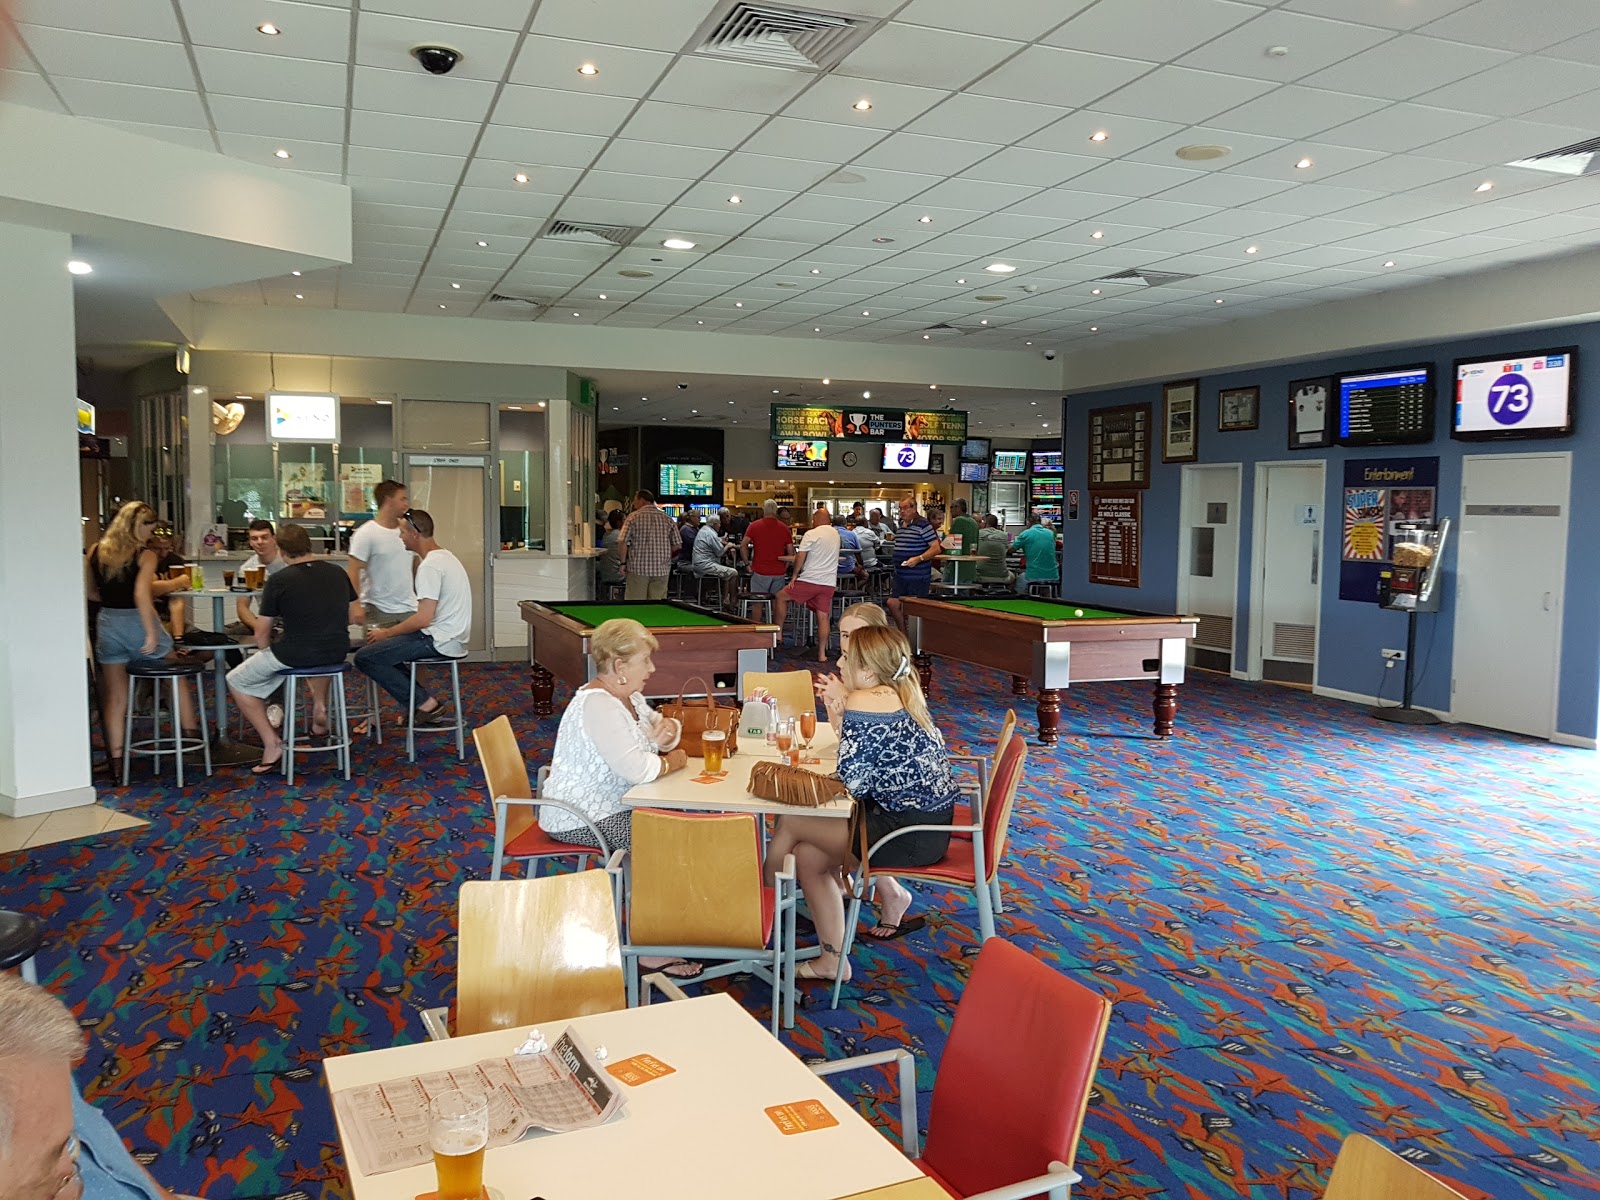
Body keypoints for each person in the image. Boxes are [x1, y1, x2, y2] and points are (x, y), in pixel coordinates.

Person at [765, 624, 960, 982]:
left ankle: (758, 904)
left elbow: (852, 782)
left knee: (790, 821)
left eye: (846, 658)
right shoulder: (901, 691)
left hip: (905, 834)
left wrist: (841, 709)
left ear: (868, 671)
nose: (839, 664)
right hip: (929, 826)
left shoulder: (865, 700)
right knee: (808, 856)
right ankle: (832, 961)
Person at [538, 619, 703, 979]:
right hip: (578, 815)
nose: (652, 668)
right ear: (619, 666)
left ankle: (670, 924)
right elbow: (638, 769)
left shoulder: (630, 698)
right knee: (662, 839)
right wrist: (673, 760)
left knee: (674, 828)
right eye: (646, 661)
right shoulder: (600, 705)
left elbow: (661, 728)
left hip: (612, 805)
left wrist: (669, 733)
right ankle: (651, 948)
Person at [0, 972, 184, 1200]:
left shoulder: (31, 1074)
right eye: (47, 1166)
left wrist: (162, 1196)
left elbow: (105, 1150)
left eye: (68, 1141)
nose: (72, 1168)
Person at [226, 523, 361, 775]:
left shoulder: (279, 580)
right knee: (308, 661)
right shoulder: (337, 572)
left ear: (281, 548)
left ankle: (272, 743)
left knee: (236, 680)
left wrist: (267, 656)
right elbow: (354, 615)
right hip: (336, 650)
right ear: (309, 544)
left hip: (296, 652)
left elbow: (261, 633)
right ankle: (318, 708)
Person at [85, 501, 198, 777]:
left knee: (116, 697)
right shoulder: (144, 555)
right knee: (175, 677)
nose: (152, 534)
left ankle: (116, 759)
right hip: (137, 621)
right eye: (150, 528)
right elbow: (141, 595)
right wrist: (151, 632)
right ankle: (192, 742)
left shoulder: (96, 550)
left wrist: (112, 602)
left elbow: (90, 593)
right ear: (138, 526)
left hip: (108, 624)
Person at [354, 508, 472, 725]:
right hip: (453, 637)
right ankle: (422, 703)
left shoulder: (430, 567)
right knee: (382, 654)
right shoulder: (447, 557)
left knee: (364, 657)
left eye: (403, 532)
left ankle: (426, 704)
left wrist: (386, 633)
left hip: (439, 639)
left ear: (415, 534)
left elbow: (422, 619)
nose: (400, 537)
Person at [345, 480, 417, 629]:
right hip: (378, 608)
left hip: (409, 607)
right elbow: (353, 570)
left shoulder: (407, 532)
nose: (406, 504)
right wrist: (356, 604)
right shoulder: (366, 533)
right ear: (388, 500)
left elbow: (415, 564)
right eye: (402, 499)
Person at [774, 507, 841, 663]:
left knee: (781, 597)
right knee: (823, 617)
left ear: (815, 519)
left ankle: (778, 634)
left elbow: (800, 556)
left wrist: (794, 575)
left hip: (810, 580)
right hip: (828, 583)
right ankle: (822, 654)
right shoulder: (836, 534)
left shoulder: (811, 534)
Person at [812, 601, 889, 715]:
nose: (850, 642)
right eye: (845, 635)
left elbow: (876, 720)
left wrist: (845, 696)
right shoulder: (849, 672)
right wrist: (830, 701)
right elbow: (841, 726)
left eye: (858, 635)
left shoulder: (889, 681)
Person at [886, 497, 940, 631]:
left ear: (914, 508)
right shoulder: (901, 524)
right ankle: (903, 634)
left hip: (917, 575)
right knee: (892, 603)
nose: (902, 511)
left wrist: (918, 558)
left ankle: (916, 637)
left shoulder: (923, 524)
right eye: (900, 508)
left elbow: (936, 548)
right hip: (901, 574)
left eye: (905, 508)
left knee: (914, 607)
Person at [619, 489, 677, 600]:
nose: (633, 503)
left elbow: (622, 541)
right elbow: (677, 545)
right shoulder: (667, 518)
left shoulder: (632, 517)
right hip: (661, 569)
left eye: (635, 500)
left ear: (642, 500)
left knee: (636, 602)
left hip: (637, 568)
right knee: (657, 603)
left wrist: (623, 563)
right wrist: (665, 556)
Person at [234, 519, 288, 634]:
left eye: (264, 537)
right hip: (268, 621)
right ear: (250, 542)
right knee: (226, 635)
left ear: (274, 539)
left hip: (294, 621)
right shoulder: (247, 569)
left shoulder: (289, 560)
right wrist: (260, 628)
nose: (260, 542)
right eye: (254, 538)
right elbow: (242, 607)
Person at [146, 521, 190, 640]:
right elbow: (149, 590)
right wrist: (177, 582)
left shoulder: (175, 562)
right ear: (147, 545)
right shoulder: (140, 560)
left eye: (167, 548)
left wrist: (178, 638)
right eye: (157, 549)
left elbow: (178, 597)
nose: (163, 554)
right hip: (142, 618)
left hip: (168, 618)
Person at [740, 499, 793, 598]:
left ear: (763, 510)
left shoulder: (754, 526)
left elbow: (743, 545)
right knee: (777, 601)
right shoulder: (784, 528)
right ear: (776, 511)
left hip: (760, 570)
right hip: (778, 571)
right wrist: (785, 567)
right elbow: (791, 552)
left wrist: (747, 564)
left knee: (758, 602)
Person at [692, 512, 738, 609]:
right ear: (715, 524)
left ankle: (725, 600)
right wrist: (729, 546)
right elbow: (720, 552)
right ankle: (732, 602)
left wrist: (720, 540)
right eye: (719, 523)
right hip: (705, 565)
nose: (720, 525)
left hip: (699, 564)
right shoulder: (711, 534)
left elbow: (713, 542)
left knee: (727, 572)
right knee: (733, 572)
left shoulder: (704, 530)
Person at [1013, 512, 1059, 595]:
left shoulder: (1026, 533)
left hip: (1033, 575)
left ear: (1028, 522)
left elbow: (1012, 549)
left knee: (1019, 579)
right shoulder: (1050, 534)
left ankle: (1022, 599)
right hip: (1053, 575)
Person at [976, 513, 1014, 586]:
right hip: (1002, 575)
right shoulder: (1004, 535)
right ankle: (1008, 592)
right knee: (1013, 576)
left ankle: (974, 593)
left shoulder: (978, 533)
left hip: (980, 574)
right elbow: (1008, 548)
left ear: (985, 523)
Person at [596, 510, 625, 590]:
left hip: (605, 574)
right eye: (624, 520)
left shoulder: (606, 535)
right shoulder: (621, 536)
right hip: (619, 575)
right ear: (619, 522)